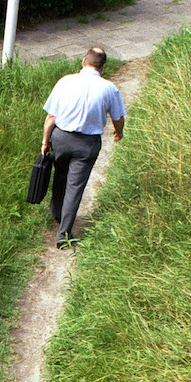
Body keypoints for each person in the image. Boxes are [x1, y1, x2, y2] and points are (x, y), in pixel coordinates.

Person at [39, 47, 125, 248]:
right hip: (87, 144)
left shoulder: (65, 81)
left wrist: (45, 142)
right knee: (75, 187)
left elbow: (51, 117)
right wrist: (119, 132)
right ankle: (64, 235)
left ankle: (57, 212)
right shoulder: (109, 88)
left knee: (60, 175)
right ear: (102, 67)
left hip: (61, 138)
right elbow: (118, 117)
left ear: (83, 61)